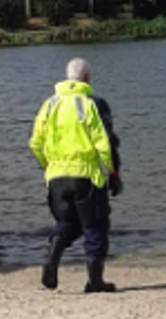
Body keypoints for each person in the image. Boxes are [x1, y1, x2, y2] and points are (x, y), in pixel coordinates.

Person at [30, 58, 119, 293]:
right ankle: (95, 281)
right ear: (88, 78)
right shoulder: (91, 103)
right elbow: (104, 143)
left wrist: (47, 167)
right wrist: (112, 171)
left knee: (67, 222)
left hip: (56, 177)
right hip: (86, 176)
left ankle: (52, 254)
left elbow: (35, 143)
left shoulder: (49, 105)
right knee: (95, 226)